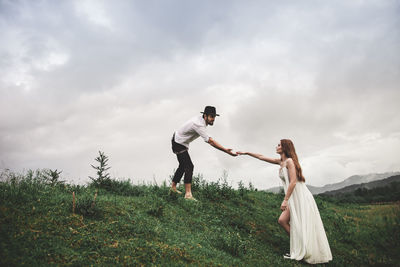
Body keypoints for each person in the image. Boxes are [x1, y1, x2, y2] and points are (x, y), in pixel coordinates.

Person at [237, 139, 332, 264]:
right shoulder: (281, 162)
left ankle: (303, 249)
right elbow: (261, 157)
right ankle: (301, 247)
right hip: (294, 196)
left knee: (284, 220)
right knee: (283, 221)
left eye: (279, 145)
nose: (276, 146)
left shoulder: (290, 162)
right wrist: (246, 152)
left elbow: (293, 181)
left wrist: (285, 200)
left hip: (299, 196)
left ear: (285, 147)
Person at [170, 106, 237, 200]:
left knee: (183, 165)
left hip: (180, 141)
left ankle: (173, 188)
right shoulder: (198, 124)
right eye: (211, 116)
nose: (213, 119)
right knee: (189, 166)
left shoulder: (202, 121)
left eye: (214, 116)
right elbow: (211, 141)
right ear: (205, 116)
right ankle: (188, 195)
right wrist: (226, 150)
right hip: (178, 142)